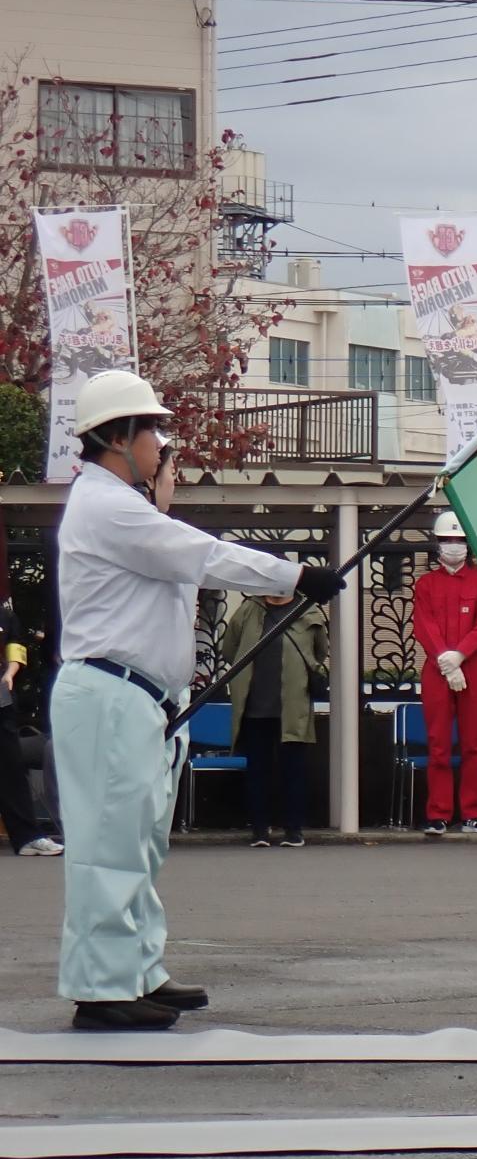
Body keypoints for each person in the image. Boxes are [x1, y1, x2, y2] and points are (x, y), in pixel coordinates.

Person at [51, 369, 343, 1030]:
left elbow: (175, 562)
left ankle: (137, 971)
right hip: (110, 696)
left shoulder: (125, 511)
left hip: (137, 700)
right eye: (152, 430)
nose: (161, 443)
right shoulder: (106, 505)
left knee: (139, 844)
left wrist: (161, 505)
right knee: (109, 847)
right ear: (119, 437)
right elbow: (200, 556)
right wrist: (295, 574)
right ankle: (101, 989)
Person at [221, 590, 327, 848]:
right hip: (254, 705)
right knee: (258, 770)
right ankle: (259, 829)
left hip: (293, 706)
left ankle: (294, 829)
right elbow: (229, 649)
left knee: (293, 770)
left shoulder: (308, 610)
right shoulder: (249, 609)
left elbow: (319, 652)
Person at [412, 511, 477, 835]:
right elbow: (424, 625)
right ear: (437, 544)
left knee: (474, 744)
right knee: (438, 744)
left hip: (473, 666)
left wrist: (459, 656)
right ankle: (439, 813)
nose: (453, 546)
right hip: (437, 669)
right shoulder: (426, 583)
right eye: (447, 540)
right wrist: (448, 664)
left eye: (459, 541)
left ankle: (474, 813)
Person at [0, 597, 62, 857]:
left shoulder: (4, 614)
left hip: (0, 696)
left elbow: (15, 643)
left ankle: (28, 836)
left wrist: (10, 672)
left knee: (10, 766)